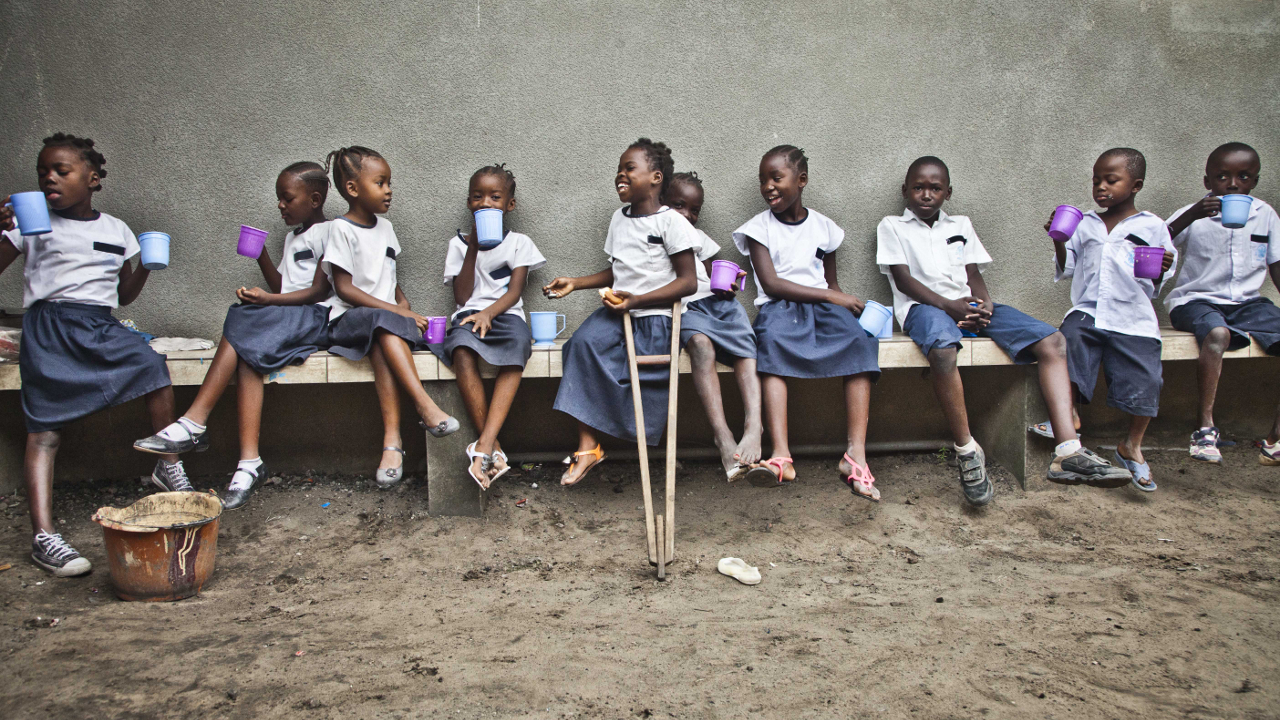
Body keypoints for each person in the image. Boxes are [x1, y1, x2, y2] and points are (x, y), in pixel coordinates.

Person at [877, 156, 1115, 505]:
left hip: (967, 305)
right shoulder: (891, 226)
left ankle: (1067, 450)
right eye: (918, 187)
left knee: (1052, 341)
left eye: (935, 188)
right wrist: (951, 307)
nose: (926, 194)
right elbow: (904, 281)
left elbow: (973, 275)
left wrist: (983, 304)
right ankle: (967, 451)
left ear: (948, 192)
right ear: (905, 191)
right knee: (943, 350)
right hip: (925, 309)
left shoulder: (961, 224)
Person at [0, 133, 184, 576]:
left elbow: (124, 295)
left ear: (93, 178)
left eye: (61, 170)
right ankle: (44, 537)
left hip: (99, 325)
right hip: (50, 325)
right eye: (43, 171)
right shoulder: (29, 222)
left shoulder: (116, 230)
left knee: (153, 367)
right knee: (44, 429)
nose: (49, 178)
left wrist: (147, 268)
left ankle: (167, 464)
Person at [133, 162, 335, 509]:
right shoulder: (292, 237)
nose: (280, 206)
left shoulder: (333, 232)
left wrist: (267, 300)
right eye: (279, 199)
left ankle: (195, 421)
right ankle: (248, 463)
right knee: (246, 350)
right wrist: (262, 259)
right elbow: (283, 288)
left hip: (318, 318)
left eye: (287, 198)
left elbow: (319, 292)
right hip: (289, 317)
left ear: (315, 199)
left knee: (241, 316)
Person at [543, 138, 698, 486]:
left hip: (655, 316)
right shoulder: (619, 218)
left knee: (643, 381)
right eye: (619, 169)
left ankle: (642, 442)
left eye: (630, 168)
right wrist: (576, 283)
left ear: (656, 177)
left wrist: (638, 301)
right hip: (619, 312)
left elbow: (688, 282)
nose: (620, 174)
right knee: (579, 346)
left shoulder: (670, 223)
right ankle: (588, 446)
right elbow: (618, 271)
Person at [733, 146, 882, 499]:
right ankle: (782, 454)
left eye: (776, 178)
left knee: (861, 345)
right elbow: (771, 284)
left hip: (823, 307)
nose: (768, 186)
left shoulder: (824, 228)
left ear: (801, 181)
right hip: (780, 308)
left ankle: (855, 455)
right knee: (770, 350)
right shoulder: (758, 230)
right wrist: (834, 297)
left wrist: (846, 306)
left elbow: (830, 282)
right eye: (763, 180)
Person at [321, 146, 458, 486]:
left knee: (384, 339)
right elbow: (344, 289)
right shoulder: (339, 229)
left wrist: (405, 306)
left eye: (389, 182)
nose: (388, 190)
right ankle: (424, 407)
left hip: (382, 324)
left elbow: (390, 280)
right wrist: (395, 311)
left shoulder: (386, 228)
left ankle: (392, 443)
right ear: (353, 189)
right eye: (380, 183)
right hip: (348, 320)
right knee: (383, 325)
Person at [1048, 148, 1176, 492]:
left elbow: (1159, 276)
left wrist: (1161, 269)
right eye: (1096, 180)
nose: (1101, 187)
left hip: (1133, 316)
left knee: (1148, 378)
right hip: (1089, 309)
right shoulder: (1085, 223)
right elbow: (1068, 267)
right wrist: (1058, 241)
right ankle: (1069, 418)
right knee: (1067, 339)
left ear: (1135, 185)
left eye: (1111, 180)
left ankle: (1131, 445)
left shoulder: (1152, 225)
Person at [428, 164, 546, 488]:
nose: (486, 203)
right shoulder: (458, 245)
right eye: (478, 197)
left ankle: (484, 443)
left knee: (518, 349)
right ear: (469, 203)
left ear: (509, 205)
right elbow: (462, 296)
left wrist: (489, 314)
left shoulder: (520, 243)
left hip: (506, 315)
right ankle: (491, 447)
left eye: (495, 197)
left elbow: (515, 292)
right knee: (461, 349)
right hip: (470, 313)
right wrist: (472, 246)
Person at [1164, 142, 1280, 465]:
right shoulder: (1196, 213)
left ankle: (1275, 439)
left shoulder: (1265, 215)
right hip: (1195, 301)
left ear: (1254, 181)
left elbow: (1276, 265)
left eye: (1243, 176)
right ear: (1207, 182)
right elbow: (1156, 240)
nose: (1232, 184)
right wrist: (1192, 214)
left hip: (1247, 304)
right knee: (1217, 334)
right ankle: (1204, 428)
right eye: (1222, 176)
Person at [662, 171, 762, 480]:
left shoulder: (697, 237)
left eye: (694, 210)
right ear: (662, 202)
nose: (687, 215)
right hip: (687, 307)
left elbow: (712, 273)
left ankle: (754, 425)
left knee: (746, 345)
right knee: (701, 347)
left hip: (718, 305)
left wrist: (728, 284)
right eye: (680, 206)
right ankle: (722, 436)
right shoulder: (653, 236)